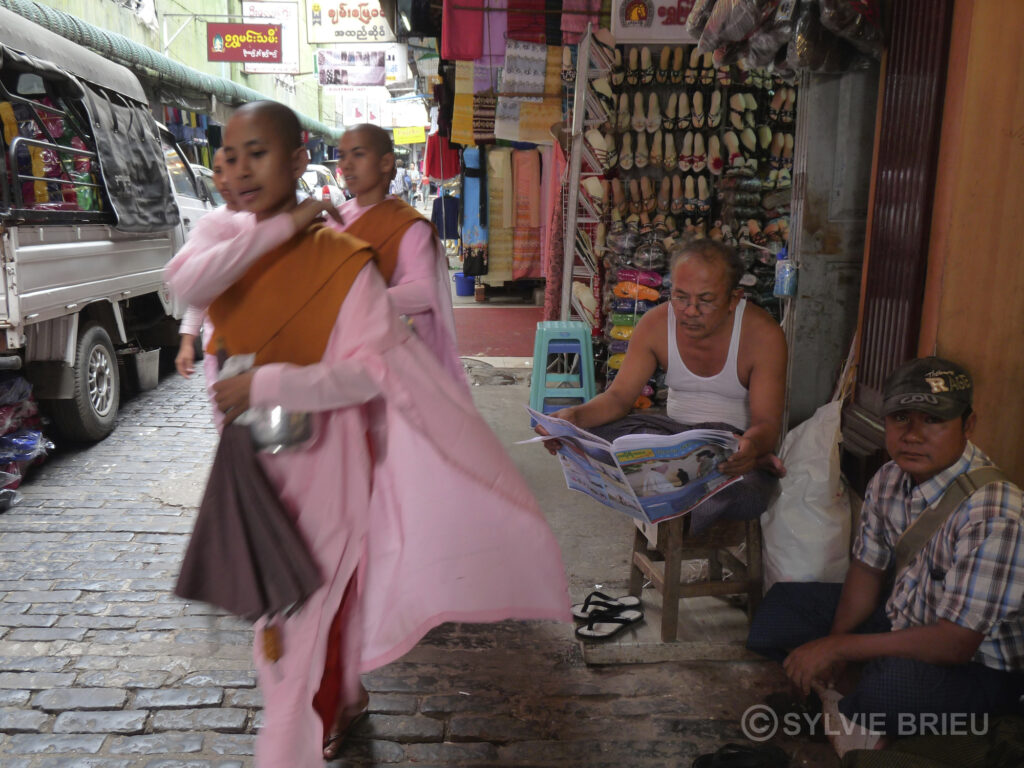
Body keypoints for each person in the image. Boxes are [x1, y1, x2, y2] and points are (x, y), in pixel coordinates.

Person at [165, 101, 568, 768]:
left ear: (298, 160)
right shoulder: (219, 240)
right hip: (251, 462)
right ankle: (332, 703)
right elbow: (192, 282)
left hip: (328, 464)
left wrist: (267, 384)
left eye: (257, 153)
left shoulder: (346, 258)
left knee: (294, 644)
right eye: (229, 155)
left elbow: (365, 375)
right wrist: (283, 226)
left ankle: (300, 737)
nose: (239, 169)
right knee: (278, 635)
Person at [746, 357, 1024, 751]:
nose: (912, 435)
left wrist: (837, 648)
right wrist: (837, 646)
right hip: (901, 619)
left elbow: (955, 644)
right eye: (901, 419)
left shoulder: (996, 514)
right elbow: (866, 571)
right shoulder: (890, 478)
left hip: (980, 669)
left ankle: (862, 708)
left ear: (969, 424)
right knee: (780, 609)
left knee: (887, 688)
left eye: (933, 420)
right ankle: (844, 699)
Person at [539, 239, 788, 532]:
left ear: (734, 299)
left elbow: (766, 424)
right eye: (680, 297)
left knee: (744, 493)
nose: (690, 310)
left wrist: (752, 447)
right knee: (596, 439)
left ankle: (749, 463)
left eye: (706, 300)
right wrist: (573, 420)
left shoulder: (762, 336)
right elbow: (619, 398)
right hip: (670, 438)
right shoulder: (655, 324)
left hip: (727, 448)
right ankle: (688, 479)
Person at [334, 123, 466, 388]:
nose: (346, 164)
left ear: (385, 163)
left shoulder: (409, 226)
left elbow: (424, 291)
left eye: (358, 155)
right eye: (343, 155)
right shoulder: (335, 219)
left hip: (392, 355)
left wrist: (356, 301)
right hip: (344, 350)